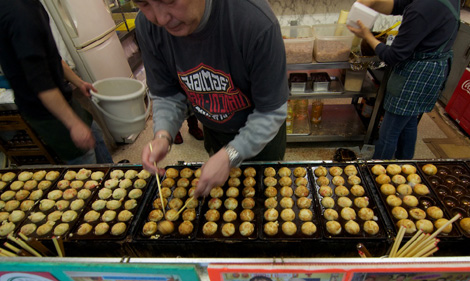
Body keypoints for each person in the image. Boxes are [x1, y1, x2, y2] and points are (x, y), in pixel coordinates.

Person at [136, 0, 289, 197]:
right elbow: (166, 94)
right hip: (215, 130)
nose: (160, 18)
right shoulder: (148, 26)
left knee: (265, 198)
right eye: (144, 3)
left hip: (263, 137)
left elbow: (271, 110)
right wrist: (163, 135)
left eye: (169, 0)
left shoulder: (255, 21)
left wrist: (230, 155)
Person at [0, 0, 113, 164]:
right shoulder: (19, 13)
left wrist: (79, 82)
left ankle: (111, 172)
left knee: (96, 137)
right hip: (46, 110)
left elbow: (51, 56)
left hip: (60, 97)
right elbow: (40, 81)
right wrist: (73, 124)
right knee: (84, 159)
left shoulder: (30, 4)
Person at [347, 0, 460, 160]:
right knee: (409, 120)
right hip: (434, 68)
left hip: (417, 73)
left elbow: (394, 56)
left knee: (389, 130)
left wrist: (367, 36)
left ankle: (377, 171)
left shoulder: (422, 8)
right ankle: (405, 163)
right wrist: (372, 2)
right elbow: (400, 5)